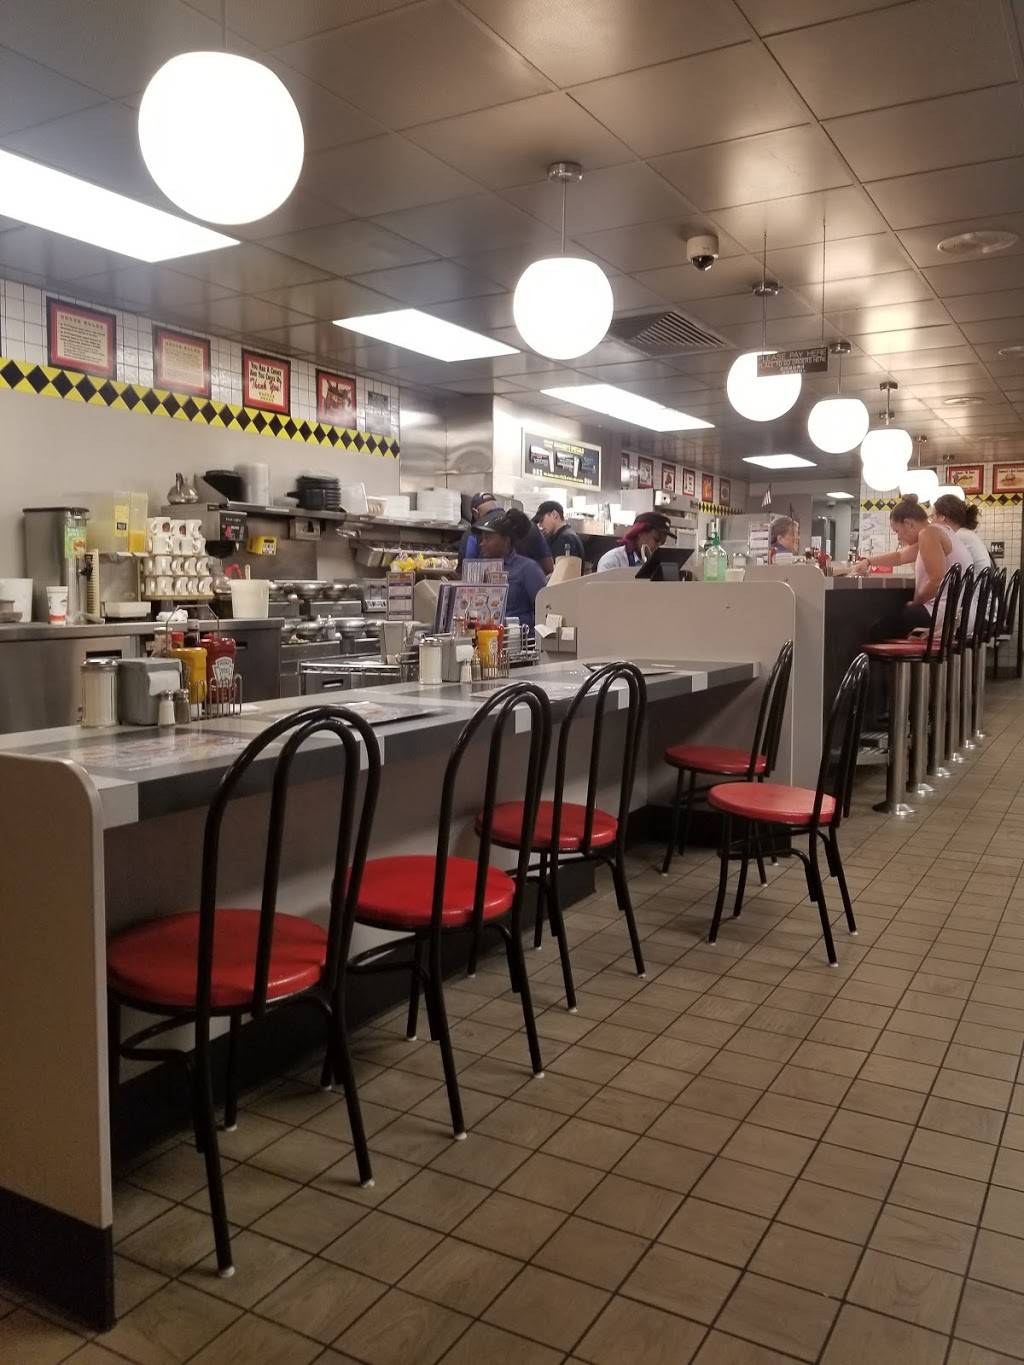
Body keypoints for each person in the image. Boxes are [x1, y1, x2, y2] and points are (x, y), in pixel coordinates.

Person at [854, 493, 972, 631]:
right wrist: (868, 561)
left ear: (908, 523)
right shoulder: (940, 531)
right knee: (886, 620)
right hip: (957, 613)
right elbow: (900, 557)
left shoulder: (929, 533)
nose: (898, 537)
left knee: (874, 627)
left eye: (897, 531)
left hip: (942, 615)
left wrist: (916, 602)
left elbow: (936, 580)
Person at [474, 508, 547, 629]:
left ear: (506, 541)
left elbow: (545, 609)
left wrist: (518, 625)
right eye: (482, 539)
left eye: (488, 538)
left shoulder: (528, 569)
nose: (482, 543)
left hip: (516, 636)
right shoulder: (480, 570)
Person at [460, 492, 554, 574]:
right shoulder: (531, 527)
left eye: (487, 538)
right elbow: (549, 567)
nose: (482, 543)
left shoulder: (471, 533)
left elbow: (467, 573)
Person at [932, 494, 992, 574]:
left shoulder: (958, 537)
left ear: (942, 517)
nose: (932, 522)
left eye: (933, 516)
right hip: (978, 580)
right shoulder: (964, 533)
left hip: (973, 581)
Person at [596, 511, 672, 571]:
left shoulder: (657, 565)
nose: (658, 546)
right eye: (656, 540)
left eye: (662, 542)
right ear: (640, 533)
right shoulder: (613, 561)